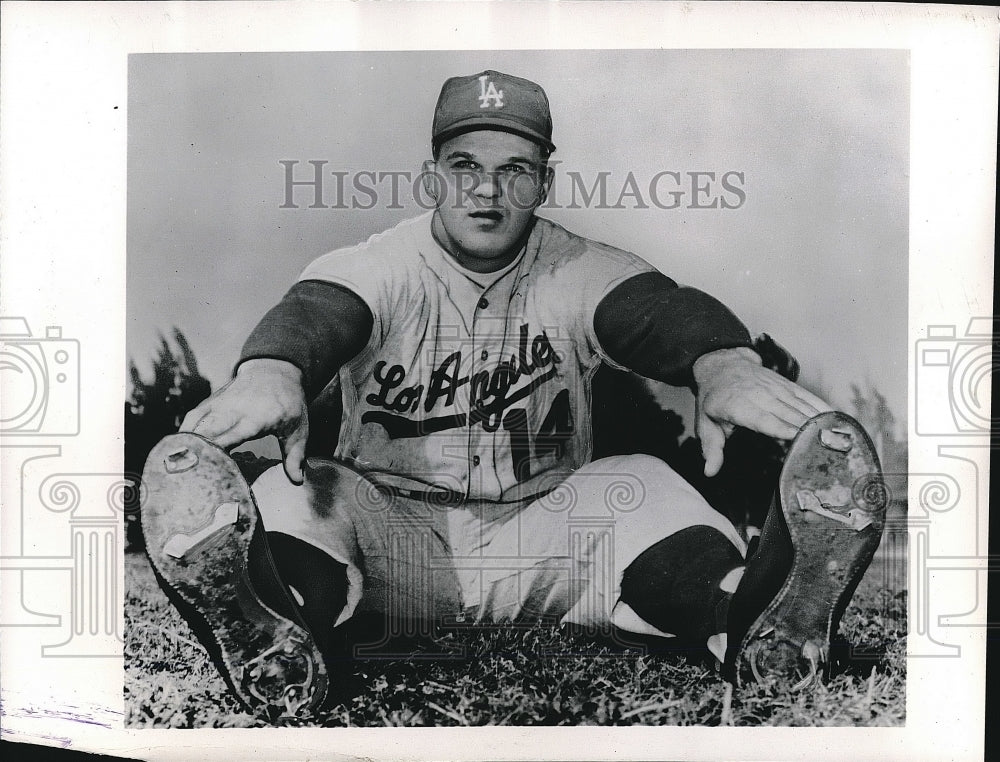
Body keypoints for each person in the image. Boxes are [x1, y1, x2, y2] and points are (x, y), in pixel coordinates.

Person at [140, 70, 887, 720]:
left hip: (546, 540)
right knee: (304, 488)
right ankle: (279, 631)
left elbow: (653, 308)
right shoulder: (381, 264)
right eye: (464, 164)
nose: (489, 190)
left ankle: (751, 618)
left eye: (516, 169)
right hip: (397, 537)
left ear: (546, 181)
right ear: (432, 175)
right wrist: (275, 368)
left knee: (639, 482)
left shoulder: (577, 266)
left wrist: (720, 363)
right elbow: (322, 308)